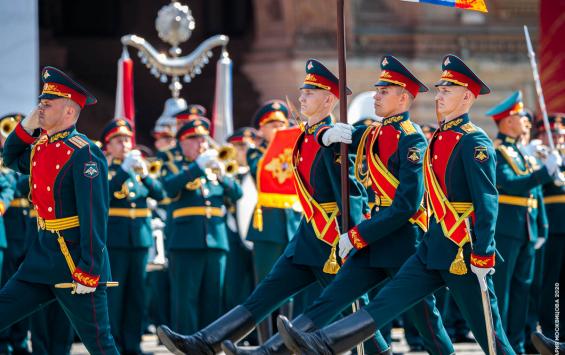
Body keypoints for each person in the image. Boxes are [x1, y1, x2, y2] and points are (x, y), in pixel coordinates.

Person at [277, 54, 516, 355]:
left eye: (447, 91)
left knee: (491, 338)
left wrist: (483, 254)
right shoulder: (440, 137)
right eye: (440, 89)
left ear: (467, 97)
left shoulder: (474, 142)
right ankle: (323, 342)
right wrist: (327, 132)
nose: (439, 95)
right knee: (382, 305)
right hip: (432, 247)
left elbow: (486, 202)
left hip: (462, 249)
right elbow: (356, 138)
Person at [224, 55, 454, 355]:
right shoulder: (373, 133)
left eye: (384, 91)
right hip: (373, 241)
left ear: (403, 98)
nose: (376, 95)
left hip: (401, 241)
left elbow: (406, 205)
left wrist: (357, 235)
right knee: (332, 298)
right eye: (378, 89)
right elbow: (331, 134)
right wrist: (326, 132)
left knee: (427, 323)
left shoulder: (413, 141)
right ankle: (271, 351)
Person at [156, 58, 380, 354]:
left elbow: (350, 193)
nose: (301, 96)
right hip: (306, 237)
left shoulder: (333, 138)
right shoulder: (305, 136)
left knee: (351, 312)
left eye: (310, 93)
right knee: (264, 295)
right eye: (302, 90)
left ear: (328, 99)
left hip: (331, 241)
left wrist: (353, 237)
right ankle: (206, 342)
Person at [0, 66, 118, 354]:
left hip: (74, 261)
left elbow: (94, 215)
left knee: (101, 345)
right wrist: (26, 127)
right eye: (40, 102)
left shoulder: (84, 152)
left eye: (47, 104)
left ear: (68, 111)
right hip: (41, 259)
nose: (40, 107)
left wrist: (89, 270)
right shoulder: (41, 147)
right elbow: (10, 156)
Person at [485, 90, 557, 353]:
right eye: (519, 115)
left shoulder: (520, 152)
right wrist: (544, 173)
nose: (525, 120)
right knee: (502, 292)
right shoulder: (499, 152)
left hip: (526, 229)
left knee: (522, 291)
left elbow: (533, 195)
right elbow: (512, 185)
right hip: (507, 229)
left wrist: (540, 227)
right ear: (506, 121)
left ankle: (515, 343)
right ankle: (500, 345)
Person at [162, 117, 243, 334]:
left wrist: (223, 174)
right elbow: (167, 188)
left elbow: (237, 194)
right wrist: (197, 167)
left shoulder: (215, 169)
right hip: (185, 243)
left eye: (204, 139)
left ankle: (210, 342)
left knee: (213, 298)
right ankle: (186, 342)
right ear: (182, 142)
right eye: (195, 139)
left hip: (216, 241)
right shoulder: (173, 166)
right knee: (185, 299)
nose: (202, 144)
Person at [103, 118, 165, 354]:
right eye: (119, 140)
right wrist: (123, 171)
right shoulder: (104, 168)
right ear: (108, 146)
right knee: (115, 296)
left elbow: (160, 194)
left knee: (137, 296)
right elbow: (104, 194)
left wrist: (146, 175)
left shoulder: (139, 169)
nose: (125, 144)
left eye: (127, 139)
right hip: (116, 240)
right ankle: (114, 344)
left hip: (139, 239)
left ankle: (133, 344)